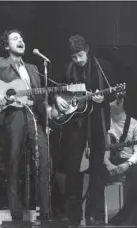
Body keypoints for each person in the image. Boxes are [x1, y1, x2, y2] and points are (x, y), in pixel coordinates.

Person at [0, 29, 58, 225]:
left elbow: (40, 95)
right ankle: (16, 216)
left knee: (44, 161)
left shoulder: (34, 68)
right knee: (13, 164)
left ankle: (45, 215)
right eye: (15, 38)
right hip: (12, 117)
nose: (21, 40)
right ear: (6, 46)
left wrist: (52, 104)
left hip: (33, 116)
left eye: (22, 38)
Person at [53, 34, 114, 225]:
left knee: (97, 169)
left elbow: (113, 93)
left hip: (97, 122)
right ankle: (73, 215)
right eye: (74, 57)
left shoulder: (102, 66)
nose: (78, 60)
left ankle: (93, 215)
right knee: (72, 169)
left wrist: (103, 99)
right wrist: (58, 99)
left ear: (86, 50)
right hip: (75, 123)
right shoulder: (67, 69)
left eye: (80, 55)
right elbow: (57, 89)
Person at [105, 97, 137, 225]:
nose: (115, 104)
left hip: (126, 161)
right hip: (104, 161)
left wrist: (127, 164)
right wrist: (108, 164)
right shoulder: (103, 123)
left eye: (119, 100)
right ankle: (95, 216)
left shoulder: (135, 124)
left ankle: (125, 213)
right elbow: (99, 148)